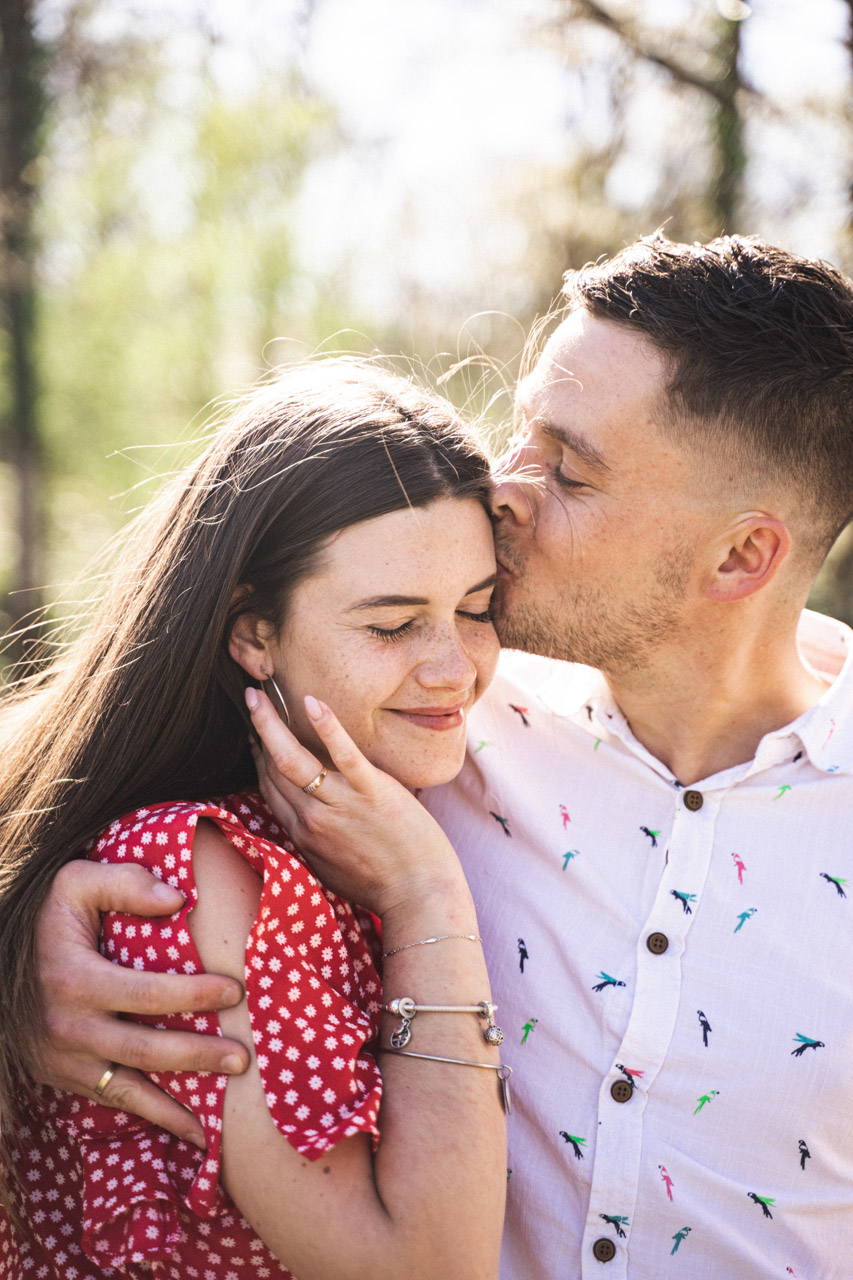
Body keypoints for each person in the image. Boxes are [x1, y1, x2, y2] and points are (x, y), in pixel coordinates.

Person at [23, 232, 853, 1278]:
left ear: (742, 555)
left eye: (569, 468)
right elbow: (87, 756)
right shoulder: (436, 719)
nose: (503, 485)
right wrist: (22, 963)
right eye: (520, 432)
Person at [0, 360, 509, 1279]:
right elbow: (423, 1267)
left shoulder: (362, 806)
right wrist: (427, 892)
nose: (456, 670)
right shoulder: (195, 868)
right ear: (253, 633)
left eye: (477, 610)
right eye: (393, 627)